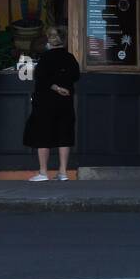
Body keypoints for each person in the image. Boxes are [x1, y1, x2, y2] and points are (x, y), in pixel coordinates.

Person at [24, 28, 81, 181]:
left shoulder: (45, 58)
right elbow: (76, 75)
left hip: (45, 101)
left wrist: (56, 88)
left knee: (43, 134)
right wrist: (63, 87)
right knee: (64, 134)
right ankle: (63, 172)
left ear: (49, 40)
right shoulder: (70, 58)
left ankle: (43, 172)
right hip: (65, 101)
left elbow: (40, 78)